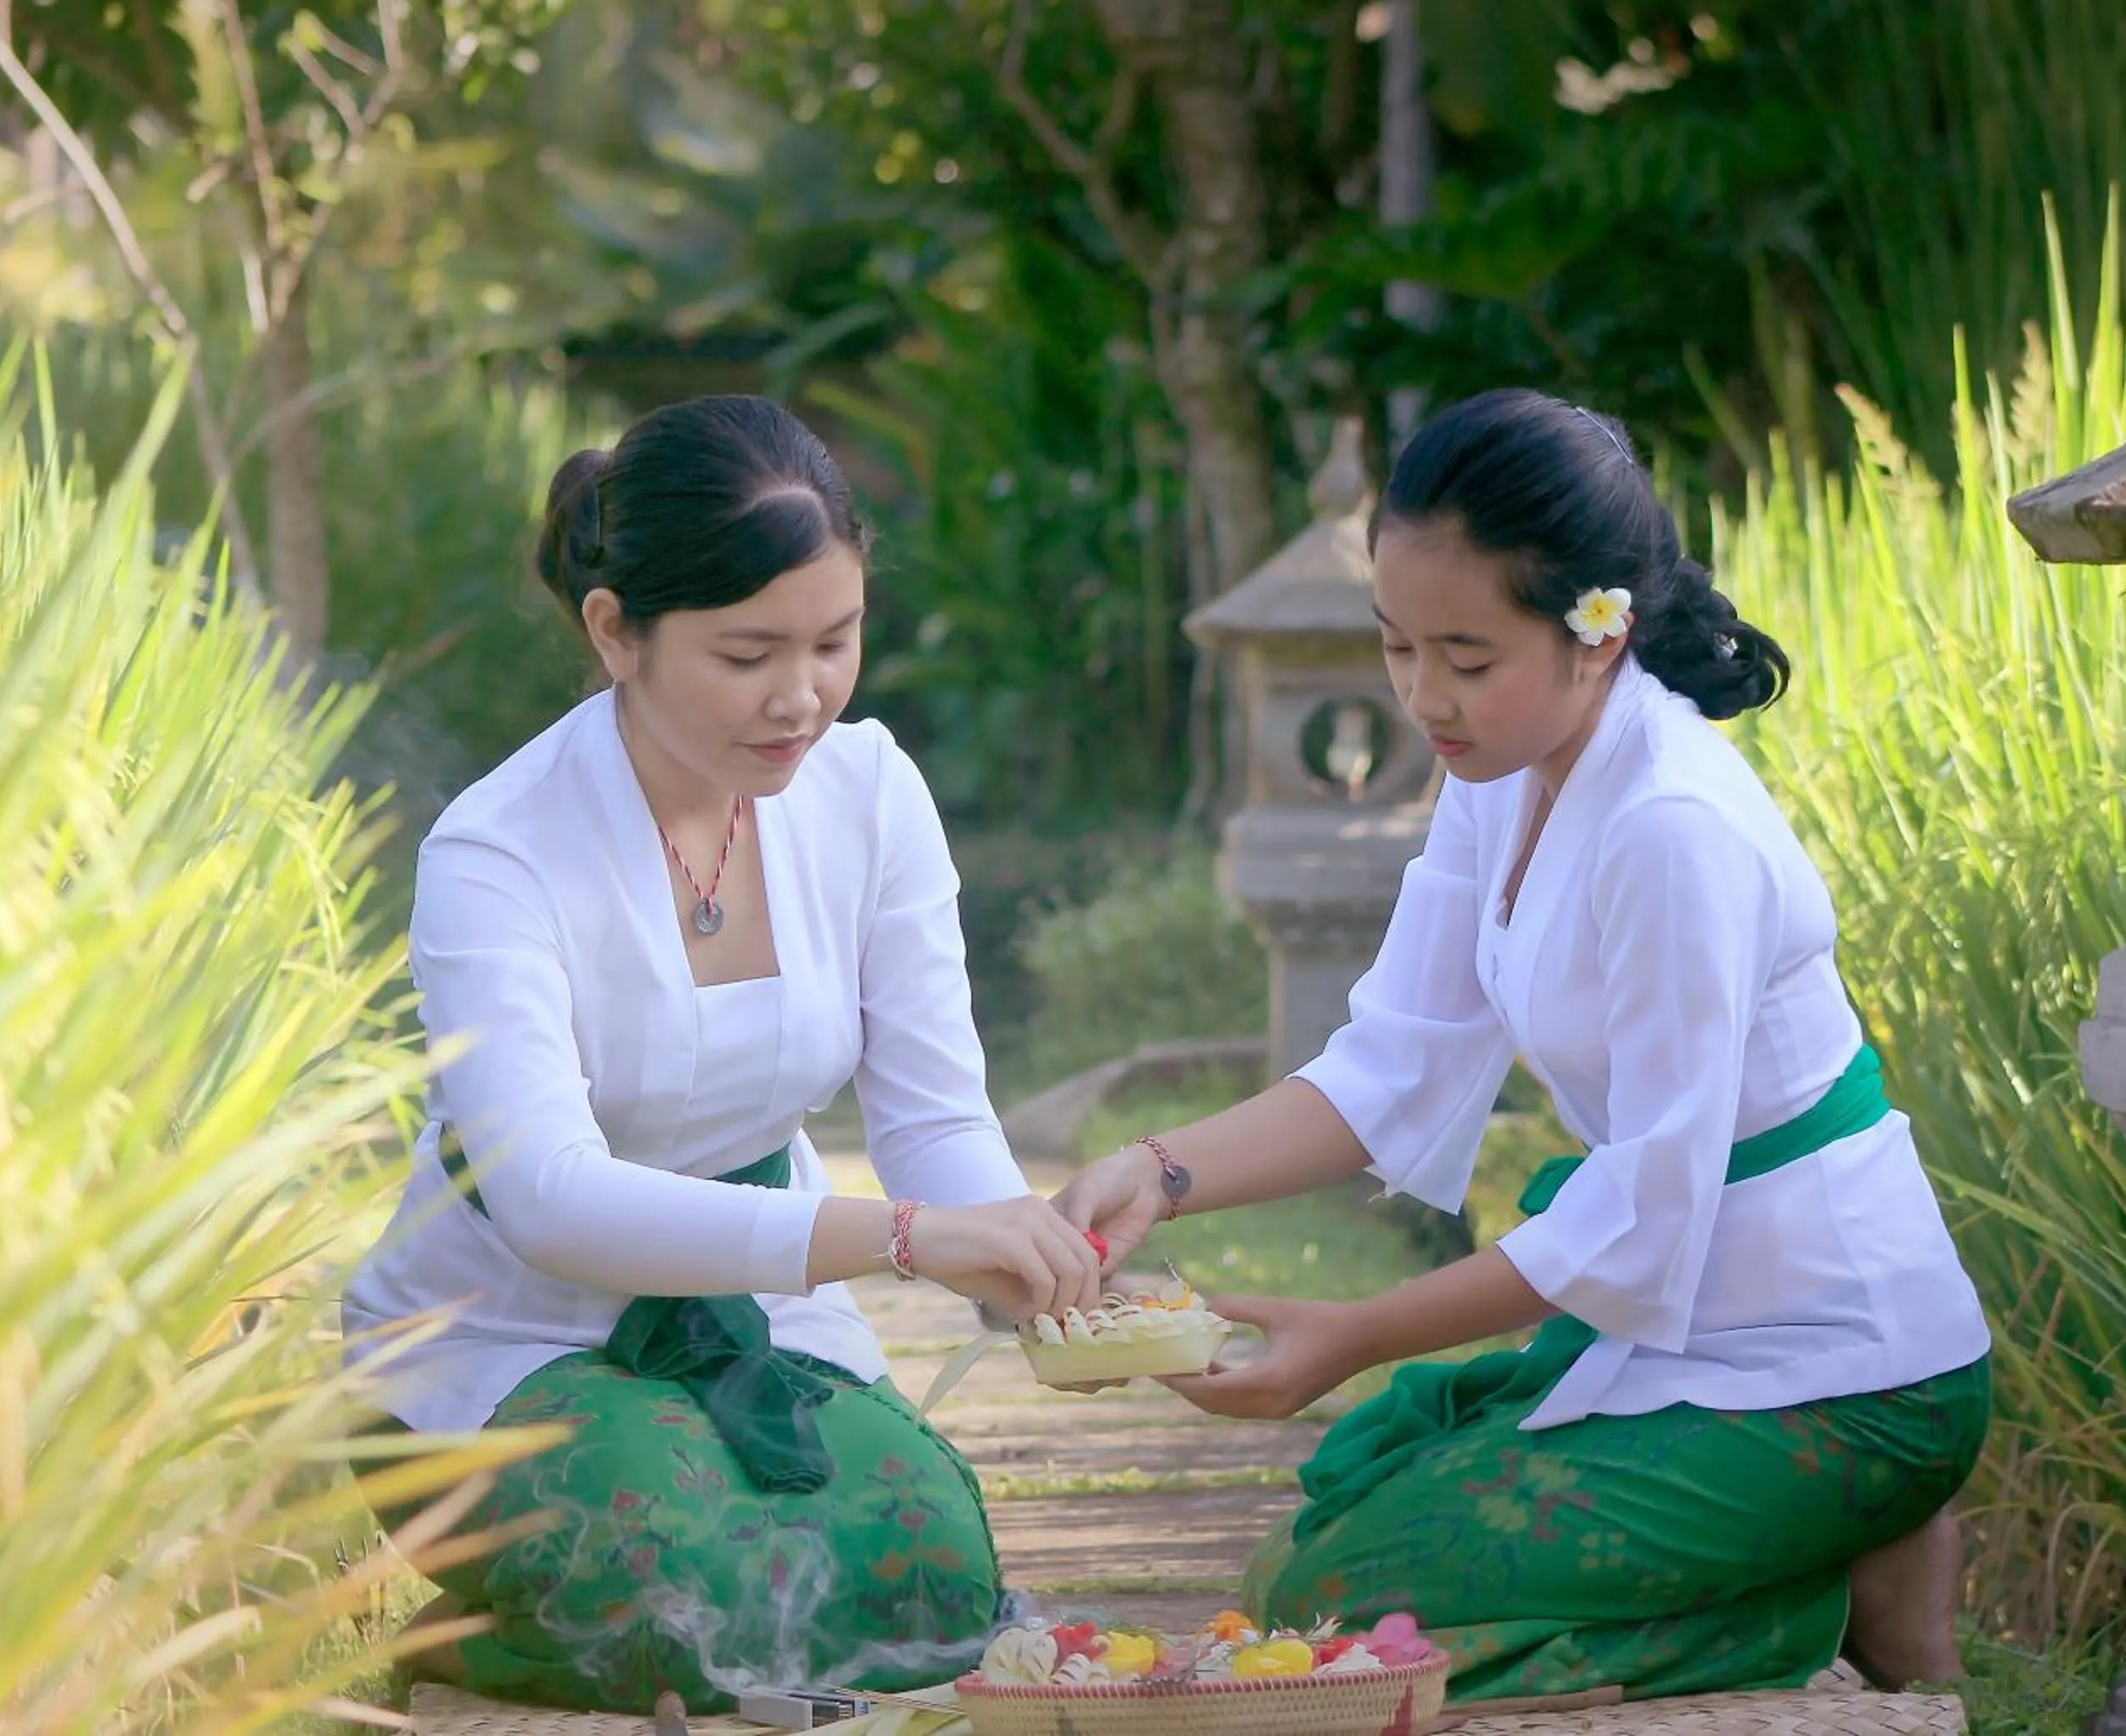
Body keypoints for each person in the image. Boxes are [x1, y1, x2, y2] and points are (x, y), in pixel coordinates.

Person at [1054, 389, 1993, 1710]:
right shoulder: (1499, 774)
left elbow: (1638, 1221)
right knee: (1325, 1556)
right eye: (1396, 648)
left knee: (1339, 1612)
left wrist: (1360, 1332)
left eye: (1468, 655)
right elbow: (1395, 1058)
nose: (1425, 697)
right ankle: (1820, 1567)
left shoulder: (1673, 828)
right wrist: (1158, 1168)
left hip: (1845, 1369)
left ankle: (1825, 1591)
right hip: (1681, 1339)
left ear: (1597, 632)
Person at [341, 395, 1101, 1717]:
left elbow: (933, 1115)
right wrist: (909, 1239)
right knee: (676, 1577)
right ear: (615, 631)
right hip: (502, 1336)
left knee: (929, 1568)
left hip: (761, 1312)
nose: (799, 695)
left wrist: (1030, 1255)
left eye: (835, 639)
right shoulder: (498, 851)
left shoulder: (868, 794)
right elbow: (552, 1201)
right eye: (747, 653)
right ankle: (446, 1641)